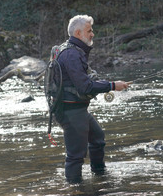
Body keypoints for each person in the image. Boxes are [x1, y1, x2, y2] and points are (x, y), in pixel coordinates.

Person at [55, 14, 130, 183]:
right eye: (89, 30)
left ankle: (100, 176)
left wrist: (110, 84)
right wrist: (112, 85)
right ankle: (75, 189)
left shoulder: (73, 51)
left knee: (97, 138)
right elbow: (85, 87)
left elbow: (84, 82)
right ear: (78, 33)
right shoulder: (71, 55)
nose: (92, 34)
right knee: (75, 156)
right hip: (71, 111)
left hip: (76, 109)